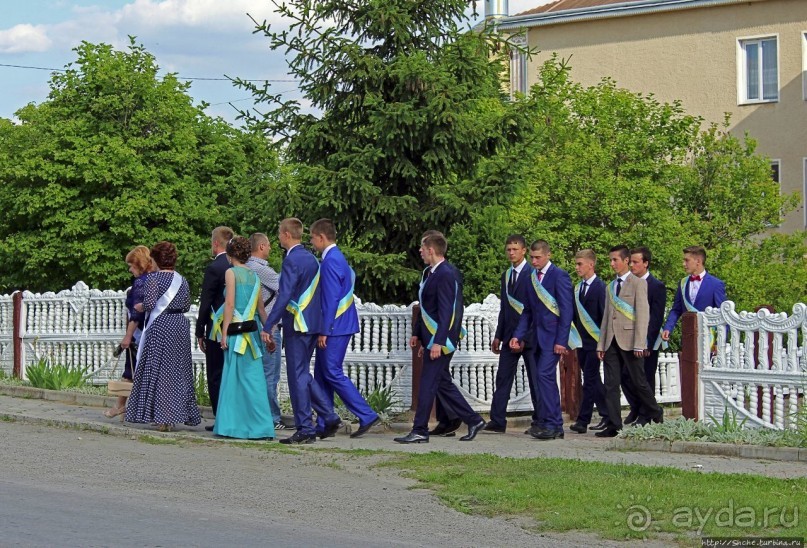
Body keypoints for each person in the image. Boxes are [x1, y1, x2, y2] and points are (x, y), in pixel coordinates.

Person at [395, 231, 485, 444]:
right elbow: (426, 308)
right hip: (432, 337)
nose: (420, 251)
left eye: (422, 248)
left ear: (431, 250)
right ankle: (471, 420)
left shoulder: (447, 273)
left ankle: (419, 430)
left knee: (428, 383)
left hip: (442, 340)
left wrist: (438, 341)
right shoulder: (429, 272)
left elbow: (448, 312)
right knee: (442, 382)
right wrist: (418, 334)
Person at [261, 218, 342, 445]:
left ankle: (305, 427)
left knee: (297, 377)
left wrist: (269, 325)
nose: (278, 237)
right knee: (303, 374)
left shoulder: (292, 260)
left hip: (297, 324)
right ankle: (328, 415)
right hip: (313, 324)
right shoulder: (311, 258)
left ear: (287, 235)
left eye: (279, 233)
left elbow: (284, 295)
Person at [309, 219, 380, 439]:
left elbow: (330, 300)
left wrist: (325, 330)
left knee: (331, 371)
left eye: (312, 238)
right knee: (321, 375)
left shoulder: (330, 261)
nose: (311, 242)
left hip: (335, 326)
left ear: (321, 237)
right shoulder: (336, 257)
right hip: (339, 324)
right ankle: (325, 423)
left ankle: (366, 415)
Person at [126, 242, 201, 431]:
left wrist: (140, 307)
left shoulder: (153, 279)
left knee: (158, 370)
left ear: (156, 259)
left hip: (160, 326)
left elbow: (150, 305)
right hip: (179, 326)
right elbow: (185, 305)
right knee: (177, 370)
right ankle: (175, 414)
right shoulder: (181, 280)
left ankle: (161, 417)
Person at [595, 245, 662, 438]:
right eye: (610, 260)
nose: (612, 264)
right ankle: (614, 425)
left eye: (615, 260)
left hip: (631, 340)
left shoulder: (638, 283)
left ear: (625, 261)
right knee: (611, 384)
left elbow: (643, 315)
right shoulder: (610, 286)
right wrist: (601, 344)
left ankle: (655, 411)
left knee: (639, 381)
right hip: (611, 342)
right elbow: (606, 317)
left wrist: (640, 343)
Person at [213, 236, 275, 440]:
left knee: (233, 380)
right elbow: (260, 309)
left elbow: (229, 304)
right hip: (253, 333)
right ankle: (262, 427)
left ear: (230, 255)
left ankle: (231, 426)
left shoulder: (231, 273)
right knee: (254, 381)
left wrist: (223, 333)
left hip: (236, 334)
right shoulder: (255, 277)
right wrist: (269, 330)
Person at [511, 240, 573, 440]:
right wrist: (517, 335)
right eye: (532, 257)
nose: (534, 261)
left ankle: (554, 424)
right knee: (542, 379)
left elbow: (566, 311)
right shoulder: (531, 278)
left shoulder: (559, 276)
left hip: (553, 338)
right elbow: (527, 311)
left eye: (538, 257)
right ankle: (549, 423)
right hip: (536, 338)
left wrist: (561, 340)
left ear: (548, 255)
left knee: (545, 377)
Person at [483, 234, 541, 434]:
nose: (511, 253)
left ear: (524, 250)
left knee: (536, 380)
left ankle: (540, 420)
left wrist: (524, 337)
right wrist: (498, 335)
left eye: (515, 249)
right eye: (508, 249)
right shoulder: (506, 275)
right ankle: (497, 420)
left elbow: (535, 311)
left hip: (529, 338)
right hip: (508, 337)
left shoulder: (533, 274)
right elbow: (505, 309)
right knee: (503, 379)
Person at [104, 245, 156, 419]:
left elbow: (136, 313)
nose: (130, 269)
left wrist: (127, 336)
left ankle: (120, 406)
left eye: (132, 265)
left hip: (139, 333)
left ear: (139, 265)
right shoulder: (154, 278)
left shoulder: (141, 282)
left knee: (130, 370)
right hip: (150, 331)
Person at [245, 232, 285, 431]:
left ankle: (258, 414)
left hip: (253, 326)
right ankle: (272, 417)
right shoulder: (262, 270)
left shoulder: (245, 267)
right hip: (268, 325)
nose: (270, 248)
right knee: (270, 374)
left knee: (257, 373)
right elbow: (285, 289)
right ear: (261, 247)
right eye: (268, 245)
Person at [623, 246, 667, 425]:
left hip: (648, 340)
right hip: (628, 340)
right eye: (630, 262)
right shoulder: (627, 283)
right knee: (626, 376)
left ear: (646, 263)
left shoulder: (656, 286)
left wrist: (646, 342)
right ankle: (639, 407)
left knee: (645, 377)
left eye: (635, 262)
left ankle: (646, 414)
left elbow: (655, 318)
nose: (632, 265)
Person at [196, 226, 233, 431]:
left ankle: (221, 418)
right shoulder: (238, 265)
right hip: (237, 327)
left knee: (216, 373)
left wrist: (199, 330)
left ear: (216, 243)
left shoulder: (214, 268)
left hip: (216, 328)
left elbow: (206, 301)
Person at [568, 249, 608, 434]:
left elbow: (604, 318)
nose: (576, 267)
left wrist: (604, 343)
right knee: (594, 380)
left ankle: (582, 420)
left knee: (589, 380)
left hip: (595, 342)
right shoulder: (578, 289)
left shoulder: (601, 288)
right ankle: (607, 415)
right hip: (581, 343)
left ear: (591, 265)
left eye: (580, 264)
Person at [661, 245, 727, 343]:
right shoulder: (683, 283)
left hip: (709, 339)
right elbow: (676, 309)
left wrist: (720, 342)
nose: (683, 264)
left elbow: (723, 315)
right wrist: (667, 328)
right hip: (687, 337)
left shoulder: (716, 284)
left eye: (687, 260)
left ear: (698, 262)